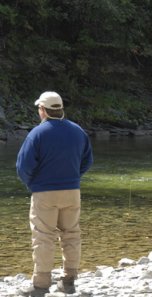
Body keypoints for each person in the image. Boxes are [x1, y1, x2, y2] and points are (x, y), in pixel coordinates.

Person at [16, 91, 93, 297]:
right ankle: (69, 281)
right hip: (72, 191)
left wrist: (33, 184)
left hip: (44, 192)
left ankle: (40, 285)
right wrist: (74, 178)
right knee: (71, 234)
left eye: (39, 109)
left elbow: (23, 166)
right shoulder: (78, 131)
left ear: (43, 110)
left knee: (43, 236)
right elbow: (87, 161)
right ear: (60, 109)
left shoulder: (37, 134)